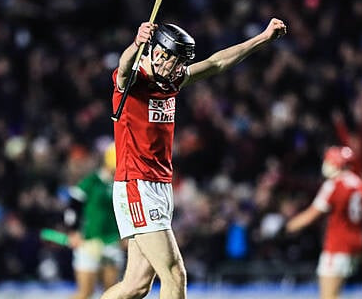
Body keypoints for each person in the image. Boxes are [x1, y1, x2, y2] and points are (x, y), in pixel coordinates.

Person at [103, 18, 287, 299]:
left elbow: (216, 63)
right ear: (157, 52)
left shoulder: (172, 79)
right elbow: (124, 68)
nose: (178, 70)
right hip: (136, 184)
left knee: (135, 286)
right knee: (175, 274)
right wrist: (135, 44)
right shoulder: (133, 82)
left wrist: (262, 38)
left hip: (159, 185)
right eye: (174, 62)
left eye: (181, 64)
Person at [285, 146, 362, 299]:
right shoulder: (359, 184)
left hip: (336, 247)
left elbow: (311, 215)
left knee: (328, 297)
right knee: (336, 294)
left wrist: (287, 227)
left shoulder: (334, 184)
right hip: (355, 246)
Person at [64, 143, 124, 299]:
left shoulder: (122, 184)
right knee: (85, 293)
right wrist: (73, 232)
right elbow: (73, 208)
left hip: (112, 241)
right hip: (88, 242)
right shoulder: (90, 182)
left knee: (112, 293)